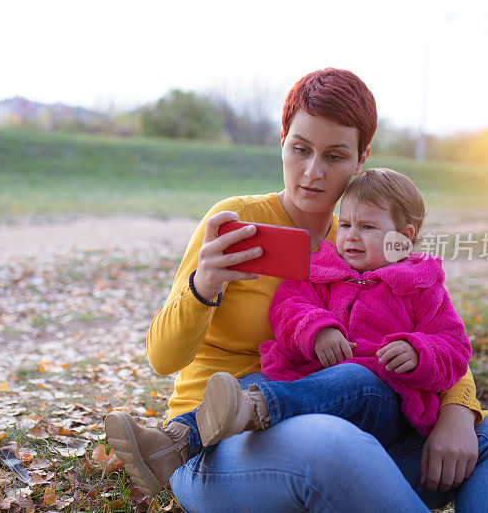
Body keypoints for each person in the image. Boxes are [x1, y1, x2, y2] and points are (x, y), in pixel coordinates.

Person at [105, 68, 488, 512]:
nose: (312, 173)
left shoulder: (359, 244)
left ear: (361, 159)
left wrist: (457, 412)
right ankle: (175, 444)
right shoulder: (237, 221)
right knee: (334, 443)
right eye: (300, 149)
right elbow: (162, 359)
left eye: (334, 156)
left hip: (343, 426)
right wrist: (203, 286)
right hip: (216, 447)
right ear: (282, 141)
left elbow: (435, 325)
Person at [196, 168, 473, 450]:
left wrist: (418, 351)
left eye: (366, 227)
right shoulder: (324, 269)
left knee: (355, 378)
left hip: (383, 400)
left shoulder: (421, 286)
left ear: (402, 238)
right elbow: (288, 305)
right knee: (251, 381)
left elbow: (455, 345)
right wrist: (318, 329)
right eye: (346, 225)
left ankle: (258, 408)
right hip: (309, 382)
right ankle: (180, 438)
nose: (351, 235)